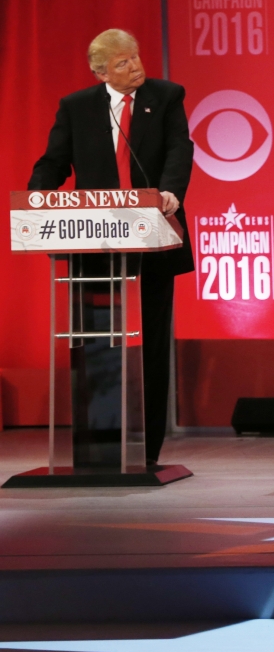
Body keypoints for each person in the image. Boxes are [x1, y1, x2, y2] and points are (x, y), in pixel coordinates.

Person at [28, 28, 195, 466]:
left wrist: (171, 191)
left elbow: (181, 147)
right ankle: (98, 451)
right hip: (95, 239)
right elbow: (53, 162)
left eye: (136, 57)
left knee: (153, 340)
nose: (136, 66)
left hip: (155, 232)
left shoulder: (166, 95)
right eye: (123, 63)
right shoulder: (77, 107)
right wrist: (36, 201)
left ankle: (151, 451)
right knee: (96, 338)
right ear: (100, 71)